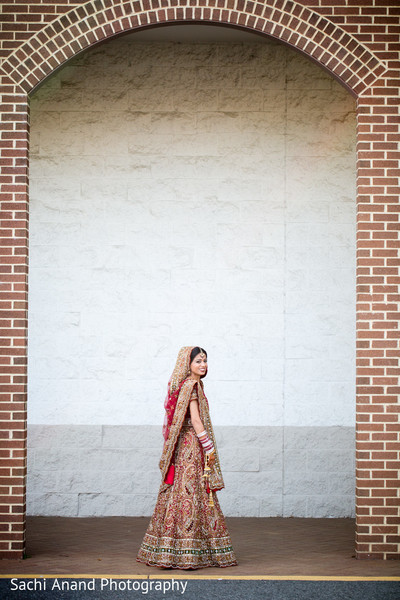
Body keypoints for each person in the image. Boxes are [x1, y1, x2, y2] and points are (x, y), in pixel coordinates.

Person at [137, 346, 238, 569]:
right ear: (188, 364)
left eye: (205, 361)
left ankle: (170, 550)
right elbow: (196, 420)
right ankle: (189, 552)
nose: (203, 365)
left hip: (183, 448)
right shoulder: (191, 385)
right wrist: (209, 447)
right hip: (192, 447)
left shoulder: (186, 385)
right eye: (198, 361)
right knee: (194, 493)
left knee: (180, 493)